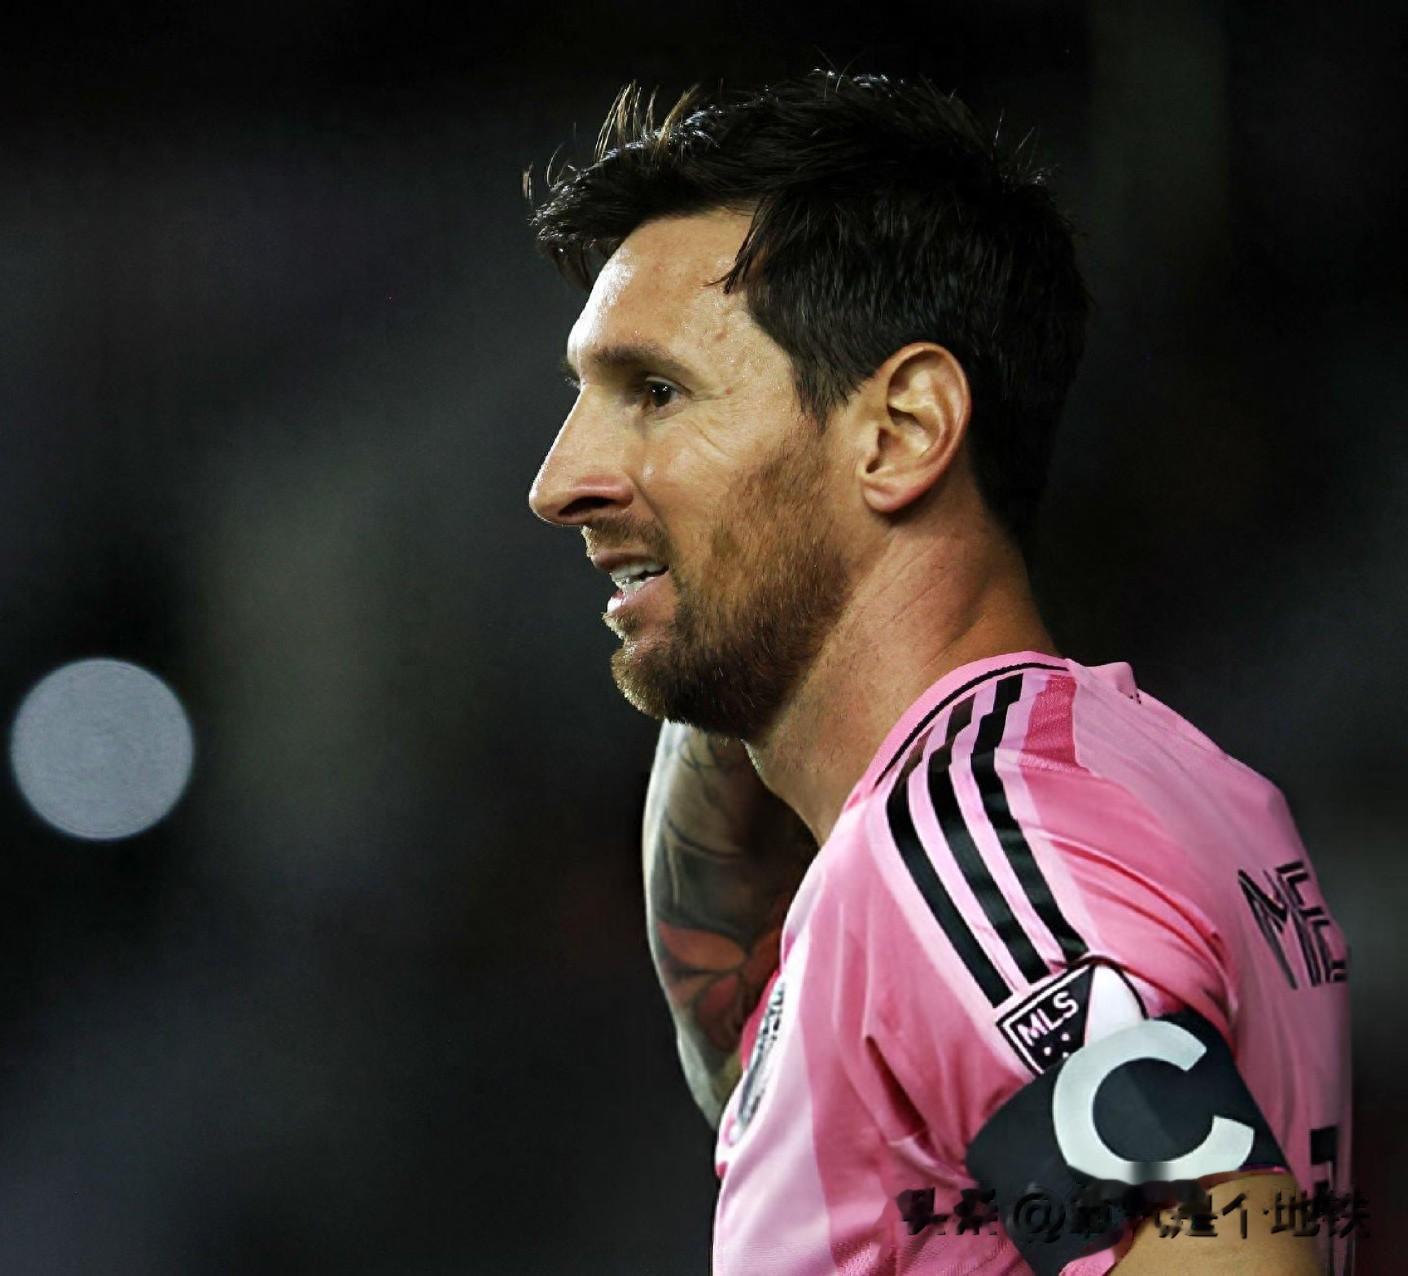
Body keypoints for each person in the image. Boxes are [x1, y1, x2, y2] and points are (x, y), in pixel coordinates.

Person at [524, 71, 1352, 1275]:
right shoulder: (1155, 776)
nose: (558, 481)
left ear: (902, 430)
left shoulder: (957, 849)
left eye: (654, 392)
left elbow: (1229, 1248)